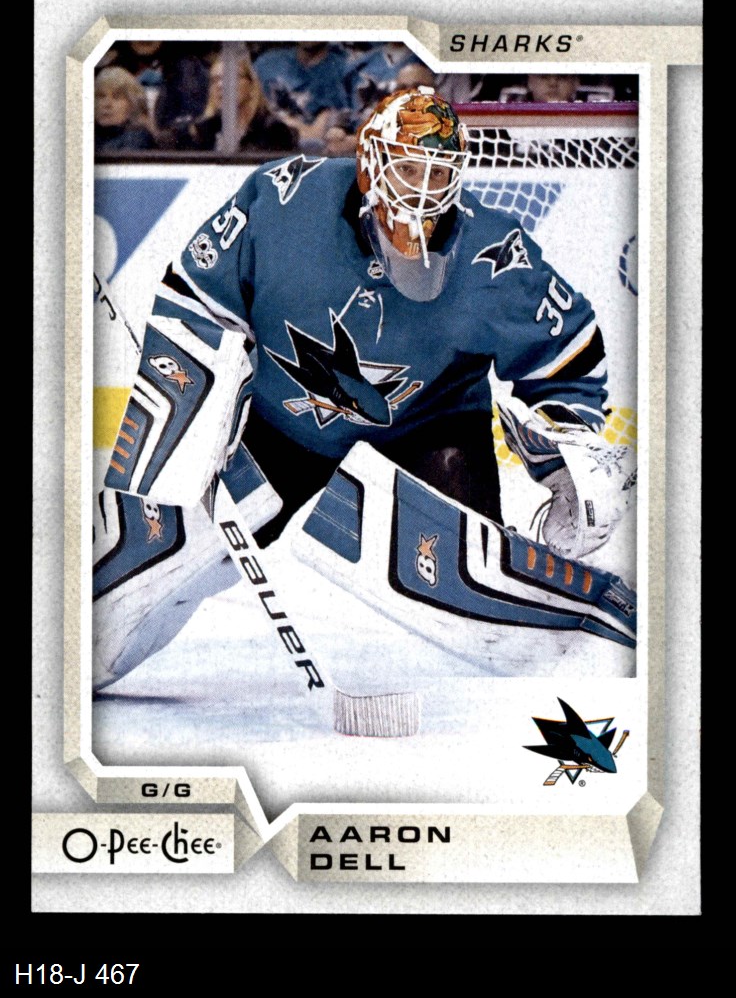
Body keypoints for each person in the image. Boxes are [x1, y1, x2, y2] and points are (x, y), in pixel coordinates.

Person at [98, 87, 635, 689]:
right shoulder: (284, 198)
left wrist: (567, 453)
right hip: (281, 427)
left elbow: (569, 352)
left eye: (439, 173)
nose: (424, 190)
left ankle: (602, 627)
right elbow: (197, 293)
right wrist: (203, 407)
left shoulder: (493, 257)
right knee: (164, 556)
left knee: (470, 580)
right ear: (371, 160)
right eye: (409, 168)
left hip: (430, 426)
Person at [165, 53, 297, 154]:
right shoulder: (202, 131)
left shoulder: (275, 131)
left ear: (251, 87)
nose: (220, 85)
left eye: (230, 77)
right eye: (214, 80)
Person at [94, 67, 156, 153]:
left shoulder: (138, 137)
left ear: (131, 104)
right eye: (101, 96)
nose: (107, 104)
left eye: (116, 97)